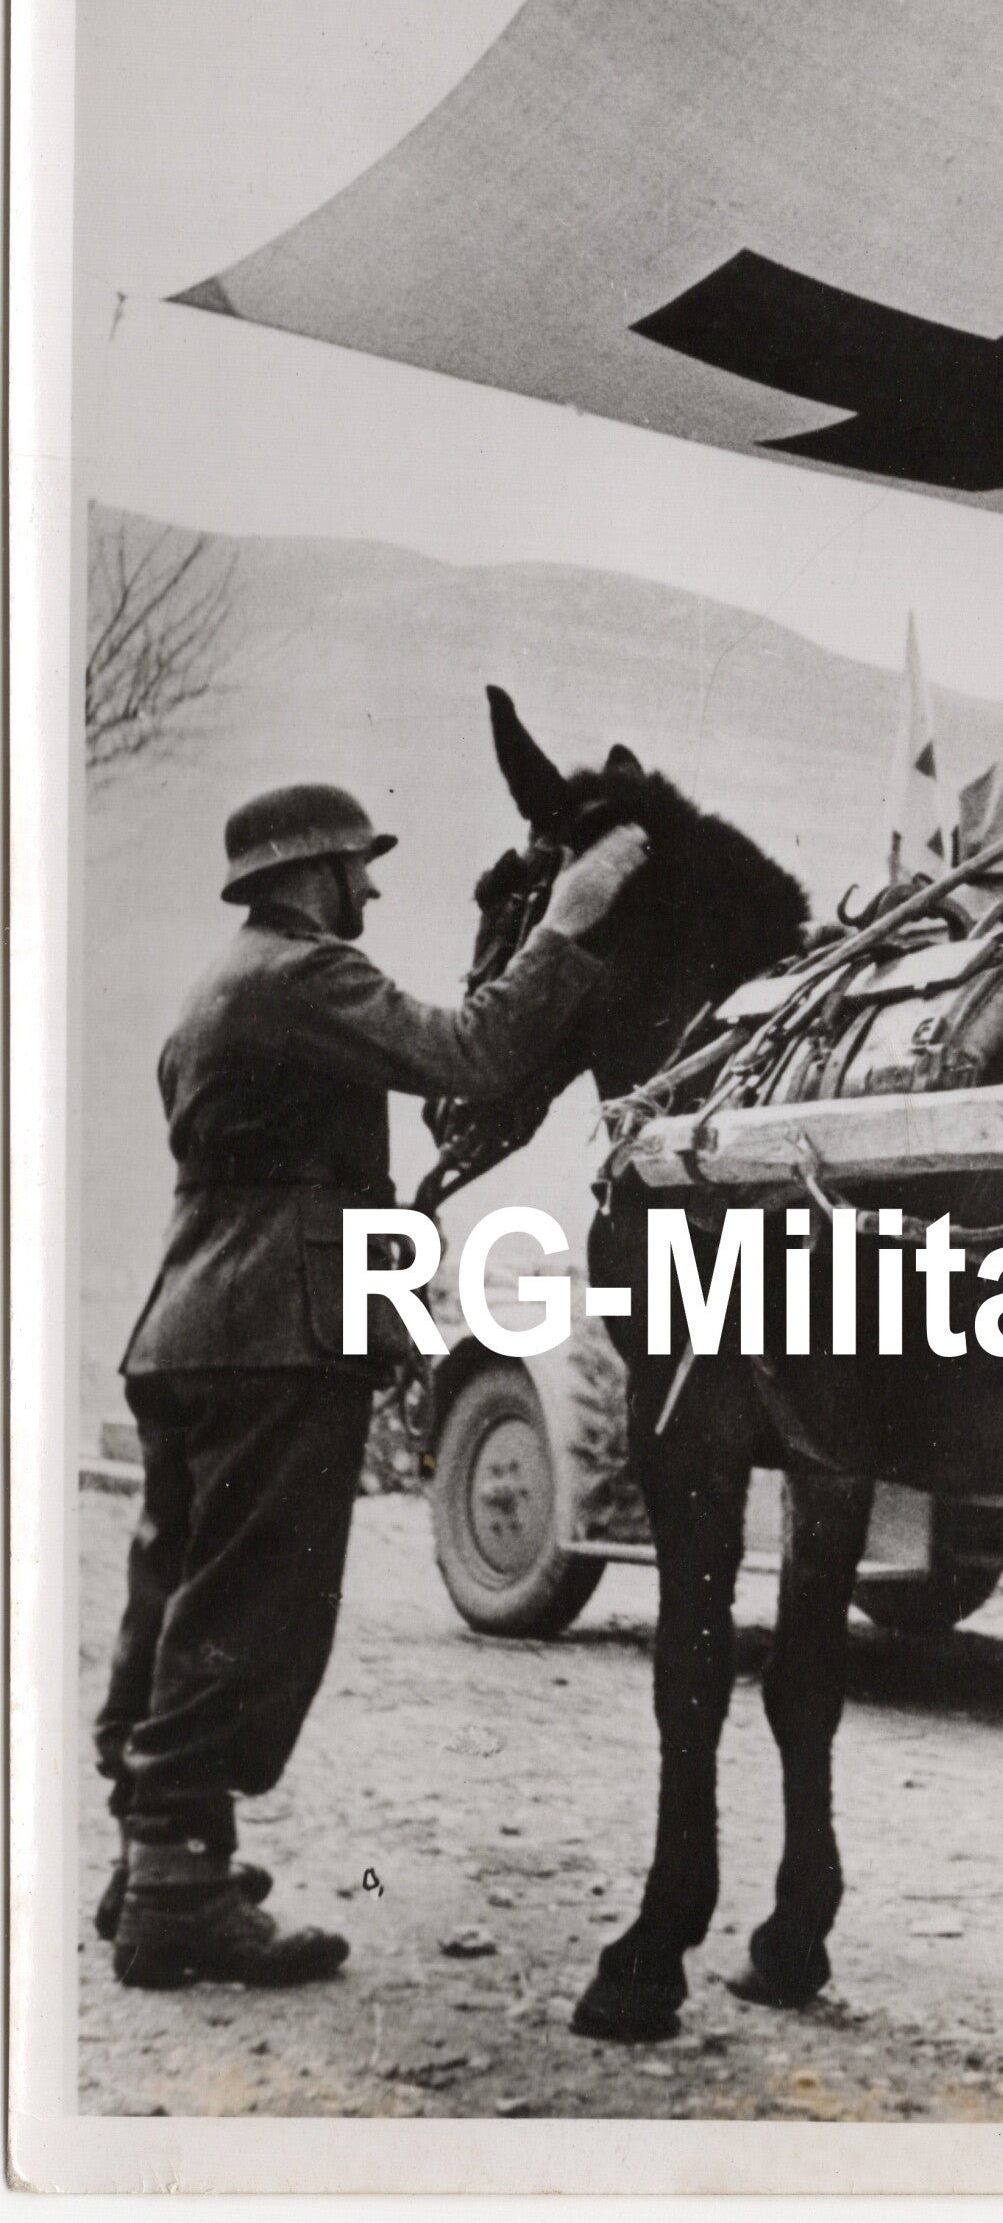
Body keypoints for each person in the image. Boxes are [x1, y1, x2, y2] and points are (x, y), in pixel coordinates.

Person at [96, 780, 648, 1989]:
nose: (374, 886)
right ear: (311, 873)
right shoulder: (303, 975)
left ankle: (154, 1854)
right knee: (248, 1607)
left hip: (195, 1325)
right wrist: (567, 922)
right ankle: (176, 1896)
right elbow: (471, 1049)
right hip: (272, 1338)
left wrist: (383, 1318)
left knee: (177, 1589)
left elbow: (281, 1182)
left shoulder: (219, 986)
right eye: (360, 864)